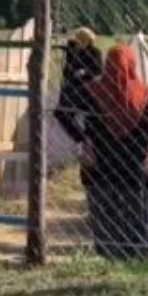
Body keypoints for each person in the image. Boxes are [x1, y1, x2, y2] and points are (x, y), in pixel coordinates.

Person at [62, 43, 148, 261]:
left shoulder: (91, 92)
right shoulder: (145, 94)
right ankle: (144, 258)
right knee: (142, 217)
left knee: (109, 219)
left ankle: (112, 256)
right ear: (131, 65)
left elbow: (62, 113)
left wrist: (82, 139)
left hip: (101, 168)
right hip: (137, 168)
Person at [53, 27, 104, 187]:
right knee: (62, 113)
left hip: (87, 91)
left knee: (90, 123)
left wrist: (83, 72)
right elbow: (67, 71)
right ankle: (81, 139)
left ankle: (86, 143)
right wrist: (70, 50)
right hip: (74, 90)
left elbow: (98, 70)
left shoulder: (95, 52)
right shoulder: (74, 50)